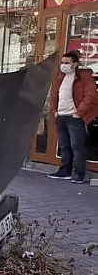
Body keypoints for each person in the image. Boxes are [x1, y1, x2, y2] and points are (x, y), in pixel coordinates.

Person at [47, 52, 98, 184]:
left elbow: (90, 96)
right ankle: (64, 171)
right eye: (62, 62)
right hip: (61, 116)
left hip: (74, 117)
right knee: (64, 145)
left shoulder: (84, 77)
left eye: (67, 63)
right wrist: (54, 111)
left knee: (77, 145)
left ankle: (78, 174)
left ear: (75, 64)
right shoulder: (60, 78)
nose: (63, 65)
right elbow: (54, 96)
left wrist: (79, 113)